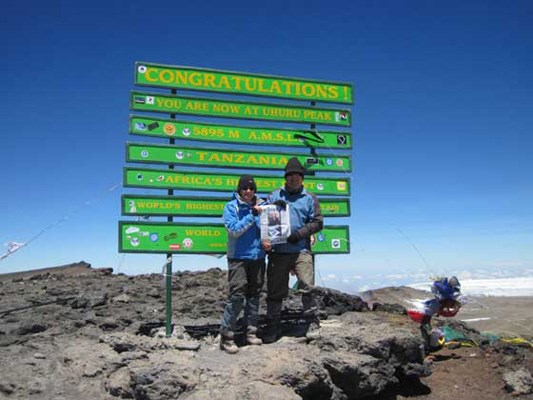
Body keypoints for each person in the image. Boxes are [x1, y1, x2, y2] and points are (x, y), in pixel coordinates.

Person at [262, 157, 324, 343]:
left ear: (302, 178)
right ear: (285, 177)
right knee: (275, 290)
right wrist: (267, 237)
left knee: (307, 286)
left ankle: (312, 322)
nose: (294, 178)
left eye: (297, 175)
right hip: (278, 252)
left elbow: (318, 222)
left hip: (301, 250)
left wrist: (300, 233)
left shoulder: (310, 197)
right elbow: (263, 216)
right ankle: (272, 325)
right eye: (290, 175)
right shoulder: (274, 195)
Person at [219, 175, 266, 354]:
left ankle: (251, 333)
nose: (248, 191)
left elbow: (269, 229)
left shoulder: (262, 206)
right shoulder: (231, 207)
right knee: (237, 296)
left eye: (251, 188)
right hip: (238, 257)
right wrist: (251, 216)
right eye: (244, 188)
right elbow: (233, 230)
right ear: (239, 190)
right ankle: (227, 337)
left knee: (254, 296)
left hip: (258, 257)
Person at [417, 276, 462, 352]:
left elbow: (442, 310)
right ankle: (428, 347)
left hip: (427, 315)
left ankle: (428, 345)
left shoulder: (439, 301)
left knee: (428, 329)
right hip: (425, 316)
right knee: (426, 329)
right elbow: (442, 310)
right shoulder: (441, 297)